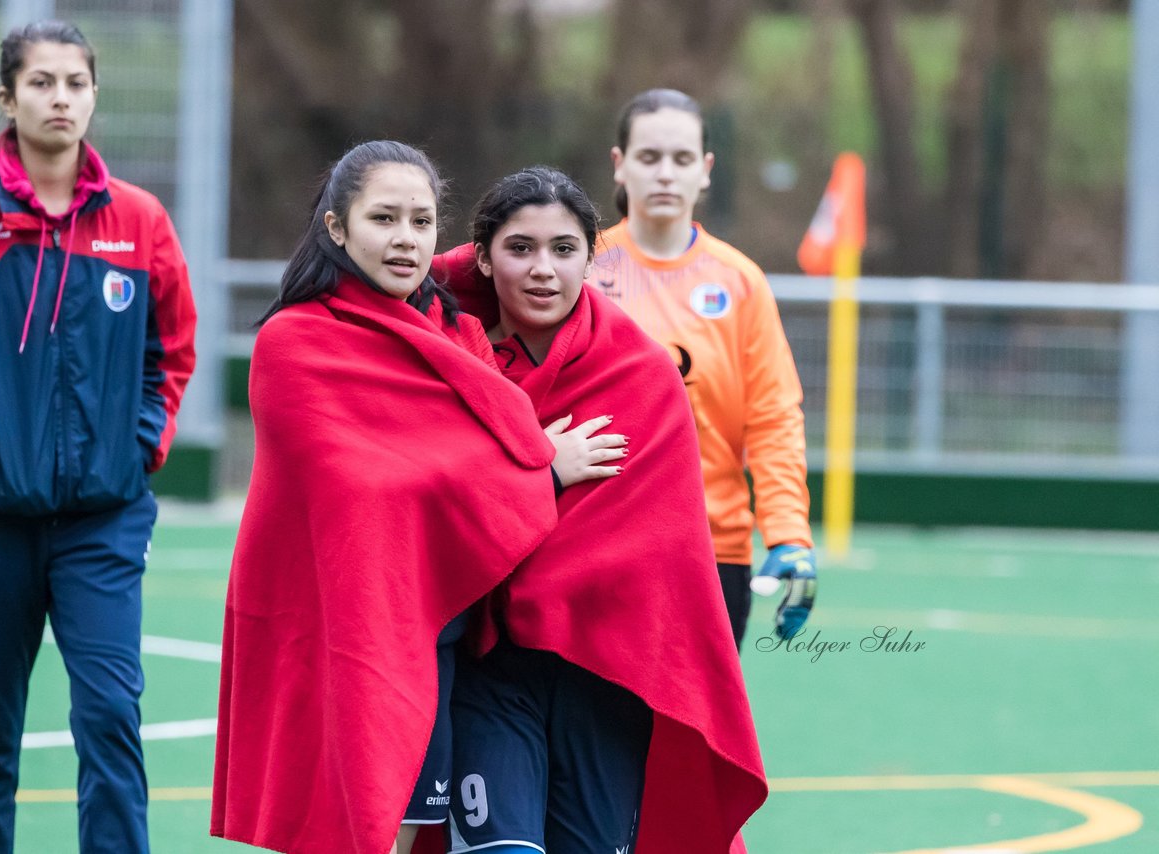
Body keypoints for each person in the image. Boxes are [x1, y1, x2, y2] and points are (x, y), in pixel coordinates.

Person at [210, 142, 619, 854]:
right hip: (341, 636)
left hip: (430, 640)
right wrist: (544, 474)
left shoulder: (453, 329)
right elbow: (372, 488)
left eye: (423, 222)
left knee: (399, 834)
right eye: (384, 218)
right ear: (336, 228)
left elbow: (477, 428)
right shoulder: (295, 342)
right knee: (339, 830)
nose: (406, 239)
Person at [0, 21, 196, 853]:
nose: (61, 98)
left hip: (105, 520)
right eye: (42, 82)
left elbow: (174, 348)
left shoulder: (140, 220)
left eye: (76, 83)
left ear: (94, 96)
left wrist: (140, 446)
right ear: (7, 97)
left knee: (108, 720)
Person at [432, 167, 767, 854]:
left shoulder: (643, 375)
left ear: (593, 257)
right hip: (491, 669)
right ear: (485, 257)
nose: (543, 270)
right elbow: (436, 510)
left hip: (607, 680)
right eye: (519, 249)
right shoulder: (452, 363)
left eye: (564, 249)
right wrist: (539, 471)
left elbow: (657, 551)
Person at [595, 88, 817, 647]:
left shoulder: (739, 282)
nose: (665, 174)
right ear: (620, 166)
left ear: (706, 171)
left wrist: (788, 534)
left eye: (681, 159)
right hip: (593, 543)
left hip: (712, 552)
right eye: (649, 158)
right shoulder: (581, 269)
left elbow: (772, 417)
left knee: (693, 736)